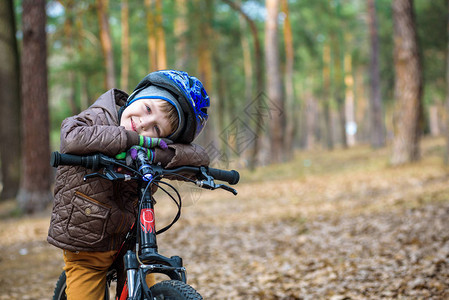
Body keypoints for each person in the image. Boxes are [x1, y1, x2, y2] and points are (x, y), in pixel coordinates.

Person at [47, 70, 211, 299]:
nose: (143, 123)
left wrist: (154, 153)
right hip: (87, 243)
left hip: (130, 241)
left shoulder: (155, 148)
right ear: (138, 94)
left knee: (145, 287)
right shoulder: (99, 116)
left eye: (156, 130)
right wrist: (137, 141)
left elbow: (199, 157)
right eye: (147, 109)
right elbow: (72, 137)